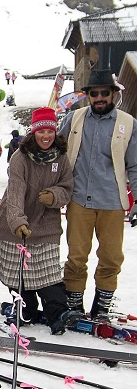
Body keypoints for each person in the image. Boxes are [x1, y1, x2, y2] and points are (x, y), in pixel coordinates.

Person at [58, 69, 137, 321]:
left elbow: (135, 166)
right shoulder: (74, 119)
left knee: (111, 258)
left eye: (105, 93)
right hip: (79, 198)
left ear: (113, 94)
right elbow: (55, 153)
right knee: (76, 256)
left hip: (112, 201)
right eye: (94, 93)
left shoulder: (128, 123)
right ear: (88, 96)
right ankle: (73, 306)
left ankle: (101, 309)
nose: (99, 97)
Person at [0, 107, 75, 334]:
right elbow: (15, 192)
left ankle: (57, 313)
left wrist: (54, 196)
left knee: (49, 274)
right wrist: (18, 222)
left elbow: (67, 187)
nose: (46, 136)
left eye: (50, 131)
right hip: (15, 223)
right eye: (41, 132)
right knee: (17, 273)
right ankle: (26, 308)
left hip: (46, 222)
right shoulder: (20, 158)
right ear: (34, 133)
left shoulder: (61, 157)